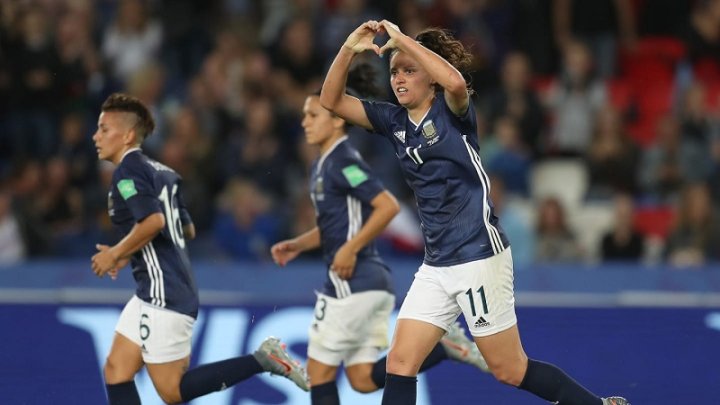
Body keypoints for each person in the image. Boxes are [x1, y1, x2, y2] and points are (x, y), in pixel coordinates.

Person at [319, 20, 630, 405]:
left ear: (428, 78)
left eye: (409, 70)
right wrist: (349, 49)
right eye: (394, 71)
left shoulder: (452, 112)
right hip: (437, 264)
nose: (398, 78)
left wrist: (400, 40)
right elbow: (331, 101)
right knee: (400, 361)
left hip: (477, 256)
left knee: (510, 369)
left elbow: (454, 84)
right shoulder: (392, 121)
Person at [271, 67, 489, 405]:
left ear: (337, 120)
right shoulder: (321, 165)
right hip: (368, 281)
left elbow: (386, 206)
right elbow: (337, 226)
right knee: (360, 379)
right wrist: (299, 244)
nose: (305, 122)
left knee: (319, 373)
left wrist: (349, 249)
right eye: (303, 115)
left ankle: (442, 346)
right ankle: (442, 348)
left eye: (313, 114)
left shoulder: (344, 162)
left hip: (354, 279)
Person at [90, 93, 309, 405]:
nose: (95, 136)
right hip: (158, 286)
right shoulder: (162, 172)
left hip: (162, 292)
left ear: (127, 135)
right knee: (116, 369)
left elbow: (153, 221)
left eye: (103, 129)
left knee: (171, 390)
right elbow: (186, 228)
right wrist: (130, 251)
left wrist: (115, 253)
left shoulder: (127, 172)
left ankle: (263, 360)